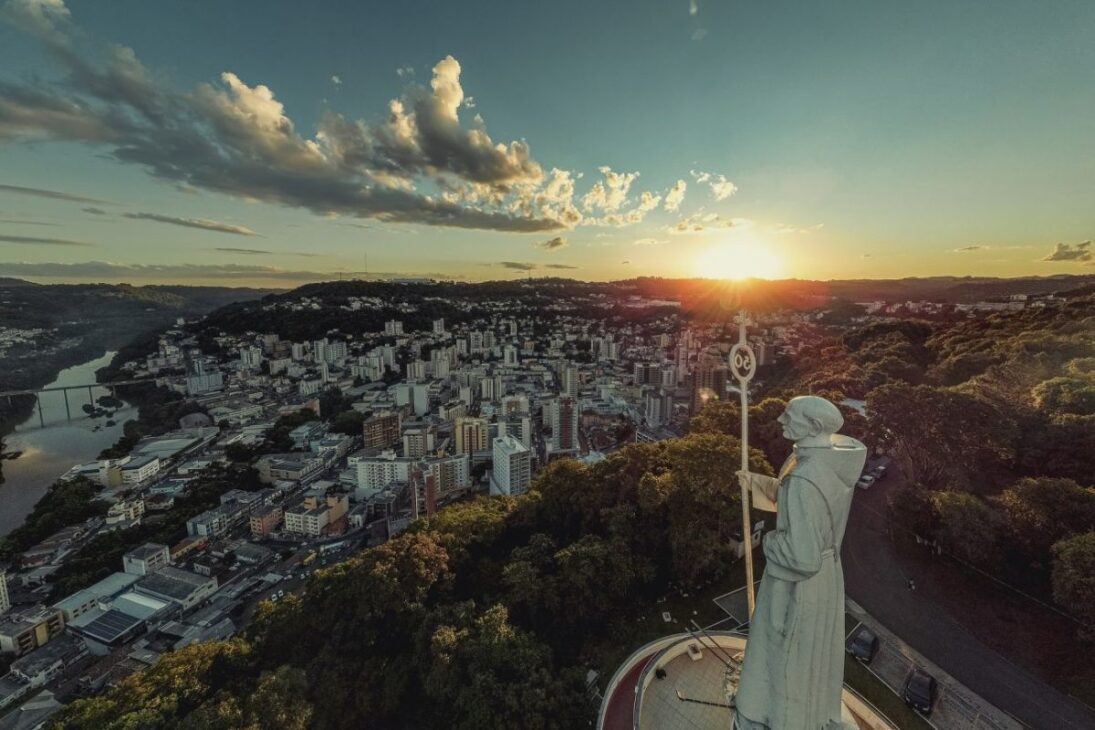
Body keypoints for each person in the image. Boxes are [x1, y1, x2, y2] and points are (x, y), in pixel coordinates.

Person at [733, 396, 867, 730]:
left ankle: (777, 719)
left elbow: (801, 555)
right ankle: (811, 716)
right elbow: (796, 501)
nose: (780, 420)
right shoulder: (829, 461)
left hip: (798, 584)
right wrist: (756, 483)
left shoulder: (804, 478)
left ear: (814, 426)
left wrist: (769, 541)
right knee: (811, 657)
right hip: (825, 577)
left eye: (789, 415)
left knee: (785, 655)